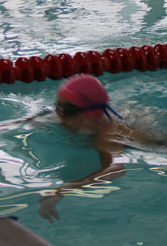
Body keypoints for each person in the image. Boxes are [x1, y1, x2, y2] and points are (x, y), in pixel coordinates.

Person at [39, 74, 145, 222]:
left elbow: (116, 169)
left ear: (90, 113)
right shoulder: (71, 119)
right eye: (58, 107)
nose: (60, 115)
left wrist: (61, 190)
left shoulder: (107, 134)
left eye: (68, 110)